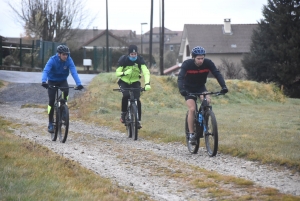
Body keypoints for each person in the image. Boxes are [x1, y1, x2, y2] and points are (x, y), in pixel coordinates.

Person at [177, 46, 228, 145]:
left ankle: (205, 117)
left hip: (200, 87)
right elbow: (180, 78)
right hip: (188, 88)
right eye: (198, 58)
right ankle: (191, 134)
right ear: (193, 58)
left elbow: (217, 74)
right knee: (192, 109)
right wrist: (182, 90)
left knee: (207, 101)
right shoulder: (187, 64)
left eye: (202, 58)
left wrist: (224, 86)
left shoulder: (208, 63)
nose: (201, 60)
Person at [41, 45, 84, 133]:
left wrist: (79, 84)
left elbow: (74, 72)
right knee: (51, 101)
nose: (66, 56)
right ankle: (50, 123)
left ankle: (63, 108)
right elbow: (46, 71)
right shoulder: (52, 60)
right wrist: (44, 81)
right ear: (59, 54)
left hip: (62, 80)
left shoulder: (69, 60)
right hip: (52, 81)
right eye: (64, 54)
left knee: (66, 91)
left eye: (67, 54)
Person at [115, 45, 151, 129]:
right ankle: (123, 114)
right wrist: (124, 73)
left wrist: (147, 83)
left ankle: (138, 121)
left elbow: (146, 72)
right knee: (126, 96)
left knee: (137, 100)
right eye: (132, 54)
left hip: (135, 81)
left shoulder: (140, 60)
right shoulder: (123, 60)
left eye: (135, 54)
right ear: (129, 54)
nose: (134, 55)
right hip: (124, 81)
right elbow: (117, 72)